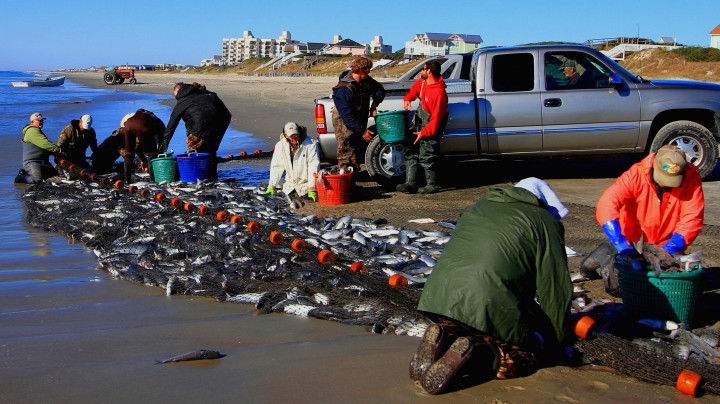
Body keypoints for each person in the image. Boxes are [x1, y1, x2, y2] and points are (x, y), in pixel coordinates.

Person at [411, 178, 572, 395]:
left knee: (464, 326)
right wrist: (556, 343)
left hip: (439, 296)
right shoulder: (544, 221)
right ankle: (480, 355)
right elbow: (554, 289)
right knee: (523, 358)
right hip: (489, 299)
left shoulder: (479, 206)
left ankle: (444, 334)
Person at [596, 145, 704, 266]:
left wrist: (672, 247)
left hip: (667, 245)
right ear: (654, 165)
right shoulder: (635, 175)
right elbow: (606, 205)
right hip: (633, 245)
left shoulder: (691, 179)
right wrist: (621, 244)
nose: (667, 185)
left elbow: (692, 217)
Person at [160, 82, 231, 181]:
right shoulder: (209, 94)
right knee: (211, 151)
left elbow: (172, 124)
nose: (176, 98)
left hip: (199, 126)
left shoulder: (183, 100)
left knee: (193, 152)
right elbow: (226, 112)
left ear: (178, 91)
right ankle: (212, 177)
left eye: (175, 95)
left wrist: (163, 146)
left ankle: (195, 178)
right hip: (222, 123)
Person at [396, 60, 448, 194]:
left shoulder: (439, 94)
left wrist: (423, 133)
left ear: (429, 71)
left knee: (427, 155)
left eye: (423, 69)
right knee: (411, 151)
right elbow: (413, 91)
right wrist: (407, 99)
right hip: (419, 123)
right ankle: (410, 183)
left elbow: (436, 120)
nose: (421, 71)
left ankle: (432, 184)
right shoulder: (423, 82)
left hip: (431, 128)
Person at [331, 56, 385, 172]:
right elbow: (347, 116)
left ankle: (354, 177)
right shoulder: (344, 89)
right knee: (346, 150)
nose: (370, 71)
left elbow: (380, 90)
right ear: (361, 70)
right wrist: (362, 131)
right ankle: (344, 179)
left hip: (359, 118)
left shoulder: (367, 81)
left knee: (356, 149)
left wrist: (374, 105)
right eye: (368, 69)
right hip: (344, 123)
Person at [91, 109, 166, 183]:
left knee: (129, 155)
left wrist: (142, 159)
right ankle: (152, 179)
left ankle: (127, 180)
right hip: (101, 162)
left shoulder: (126, 127)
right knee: (150, 153)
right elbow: (138, 148)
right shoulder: (157, 127)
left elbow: (132, 150)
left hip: (101, 158)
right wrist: (145, 160)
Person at [265, 122, 320, 202]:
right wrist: (271, 185)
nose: (294, 138)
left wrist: (312, 188)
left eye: (296, 135)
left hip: (305, 187)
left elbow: (313, 166)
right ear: (285, 135)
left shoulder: (310, 144)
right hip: (289, 187)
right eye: (291, 136)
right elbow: (276, 166)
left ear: (299, 133)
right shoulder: (280, 145)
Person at [16, 113, 64, 184]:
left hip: (44, 162)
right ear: (32, 122)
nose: (41, 122)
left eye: (42, 120)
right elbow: (45, 144)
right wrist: (58, 150)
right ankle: (22, 176)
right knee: (38, 180)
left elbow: (45, 147)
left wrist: (56, 153)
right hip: (33, 162)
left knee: (54, 176)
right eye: (38, 120)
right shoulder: (31, 131)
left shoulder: (38, 131)